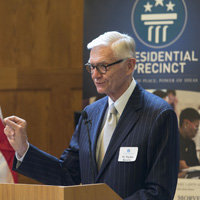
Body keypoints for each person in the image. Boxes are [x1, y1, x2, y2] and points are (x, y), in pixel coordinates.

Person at [4, 31, 179, 200]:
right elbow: (67, 174)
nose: (95, 75)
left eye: (103, 66)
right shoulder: (91, 113)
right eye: (91, 67)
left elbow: (159, 192)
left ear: (129, 66)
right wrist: (23, 149)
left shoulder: (159, 115)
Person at [178, 108, 200, 178]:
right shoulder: (172, 140)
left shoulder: (191, 144)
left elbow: (195, 167)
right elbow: (182, 166)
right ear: (186, 123)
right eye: (196, 127)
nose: (197, 131)